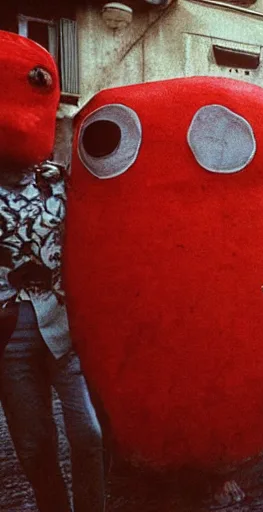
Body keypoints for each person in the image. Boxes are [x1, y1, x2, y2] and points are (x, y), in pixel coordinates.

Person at [0, 31, 105, 512]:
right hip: (9, 337)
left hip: (62, 325)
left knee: (88, 435)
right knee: (35, 447)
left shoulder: (58, 181)